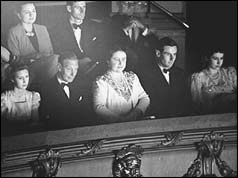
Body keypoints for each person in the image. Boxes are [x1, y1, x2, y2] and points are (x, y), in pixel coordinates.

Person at [92, 45, 150, 124]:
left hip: (136, 122)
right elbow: (98, 107)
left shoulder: (132, 77)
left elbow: (144, 98)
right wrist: (119, 120)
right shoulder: (101, 82)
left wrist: (136, 113)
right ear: (108, 61)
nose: (121, 63)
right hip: (113, 126)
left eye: (123, 59)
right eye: (116, 59)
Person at [49, 1, 107, 78]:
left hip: (95, 67)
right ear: (69, 9)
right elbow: (58, 52)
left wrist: (90, 60)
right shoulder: (57, 29)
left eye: (84, 7)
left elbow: (103, 47)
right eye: (78, 7)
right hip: (71, 71)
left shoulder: (95, 26)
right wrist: (77, 63)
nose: (82, 11)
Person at [7, 2, 57, 90]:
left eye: (34, 11)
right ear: (19, 15)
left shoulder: (42, 29)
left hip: (47, 65)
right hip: (27, 69)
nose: (31, 15)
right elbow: (15, 60)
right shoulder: (14, 32)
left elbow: (51, 52)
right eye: (27, 12)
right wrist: (33, 57)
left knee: (57, 59)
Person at [40, 51, 95, 130]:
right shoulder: (46, 89)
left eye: (76, 69)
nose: (73, 74)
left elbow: (88, 112)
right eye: (69, 69)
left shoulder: (82, 83)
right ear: (59, 67)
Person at [139, 37, 191, 118]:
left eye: (174, 54)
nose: (172, 59)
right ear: (158, 54)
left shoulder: (180, 73)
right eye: (168, 54)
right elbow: (150, 103)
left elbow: (186, 102)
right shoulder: (145, 74)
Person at [191, 47, 237, 114]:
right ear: (207, 58)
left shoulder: (229, 73)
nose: (219, 62)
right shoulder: (199, 77)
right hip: (209, 116)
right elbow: (197, 105)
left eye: (221, 58)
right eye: (215, 58)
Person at [1, 61, 40, 135]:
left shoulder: (33, 96)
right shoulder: (4, 98)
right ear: (12, 79)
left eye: (26, 76)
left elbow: (35, 122)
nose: (25, 81)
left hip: (29, 134)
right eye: (20, 78)